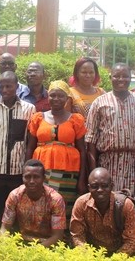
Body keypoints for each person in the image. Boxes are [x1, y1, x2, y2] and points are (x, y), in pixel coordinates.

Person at [0, 71, 36, 223]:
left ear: (17, 87)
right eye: (1, 86)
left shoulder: (29, 109)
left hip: (18, 170)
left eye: (8, 86)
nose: (4, 90)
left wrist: (27, 166)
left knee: (17, 207)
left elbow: (30, 139)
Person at [86, 63, 135, 196]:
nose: (121, 79)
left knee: (134, 208)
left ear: (130, 77)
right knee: (109, 208)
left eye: (125, 76)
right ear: (110, 77)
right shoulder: (99, 102)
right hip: (107, 165)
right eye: (117, 76)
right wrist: (93, 172)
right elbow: (90, 140)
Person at [27, 80, 87, 215]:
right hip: (42, 171)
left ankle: (63, 236)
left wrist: (82, 179)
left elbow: (82, 150)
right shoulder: (38, 118)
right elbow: (30, 147)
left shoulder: (76, 119)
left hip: (69, 173)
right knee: (42, 206)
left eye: (61, 96)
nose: (56, 99)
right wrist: (26, 171)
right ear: (48, 96)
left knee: (65, 208)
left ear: (67, 98)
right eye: (52, 95)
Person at [70, 167, 135, 256]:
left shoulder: (125, 205)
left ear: (111, 186)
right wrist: (89, 256)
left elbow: (133, 241)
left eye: (104, 186)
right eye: (95, 186)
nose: (100, 190)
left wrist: (115, 259)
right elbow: (77, 236)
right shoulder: (81, 203)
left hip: (121, 254)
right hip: (92, 254)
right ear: (89, 187)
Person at [0, 159, 66, 247]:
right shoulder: (15, 196)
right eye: (27, 177)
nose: (31, 181)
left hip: (48, 245)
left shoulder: (55, 199)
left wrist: (33, 251)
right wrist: (8, 245)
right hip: (21, 242)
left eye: (36, 177)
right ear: (22, 177)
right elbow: (4, 228)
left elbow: (57, 236)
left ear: (43, 178)